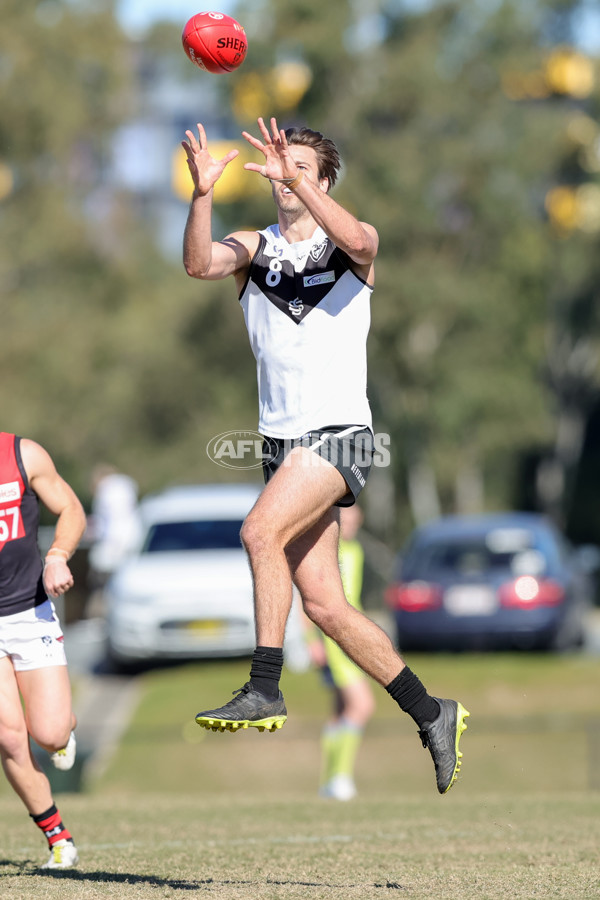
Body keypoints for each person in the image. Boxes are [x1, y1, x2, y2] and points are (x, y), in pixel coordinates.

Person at [182, 116, 469, 794]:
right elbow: (198, 264)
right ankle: (433, 712)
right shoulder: (254, 248)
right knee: (328, 608)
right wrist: (201, 195)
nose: (285, 177)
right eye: (280, 169)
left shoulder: (350, 249)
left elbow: (363, 237)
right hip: (283, 444)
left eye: (302, 169)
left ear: (325, 182)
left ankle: (263, 687)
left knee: (257, 531)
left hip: (339, 432)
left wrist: (303, 184)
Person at [0, 432, 86, 868]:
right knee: (9, 736)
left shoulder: (21, 454)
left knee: (48, 733)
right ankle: (58, 837)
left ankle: (63, 729)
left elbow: (71, 507)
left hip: (28, 612)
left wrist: (57, 555)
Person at [307, 503, 375, 801]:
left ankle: (328, 781)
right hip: (335, 640)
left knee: (339, 712)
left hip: (353, 638)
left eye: (355, 520)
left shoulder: (355, 551)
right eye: (345, 520)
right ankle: (341, 777)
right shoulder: (324, 552)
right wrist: (312, 639)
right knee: (362, 705)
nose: (351, 526)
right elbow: (307, 597)